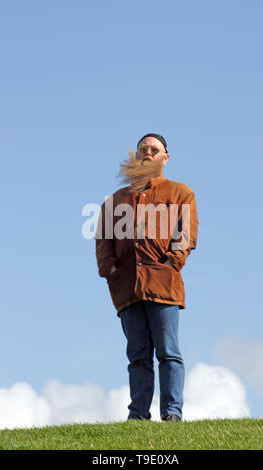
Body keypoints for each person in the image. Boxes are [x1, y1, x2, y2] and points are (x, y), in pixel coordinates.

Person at [95, 133, 199, 422]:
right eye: (143, 149)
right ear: (136, 156)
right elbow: (102, 239)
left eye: (155, 149)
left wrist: (171, 262)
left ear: (165, 158)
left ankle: (172, 413)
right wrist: (110, 269)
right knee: (138, 356)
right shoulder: (114, 201)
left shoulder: (181, 193)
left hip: (163, 285)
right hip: (126, 288)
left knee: (168, 352)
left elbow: (186, 234)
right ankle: (138, 415)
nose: (148, 153)